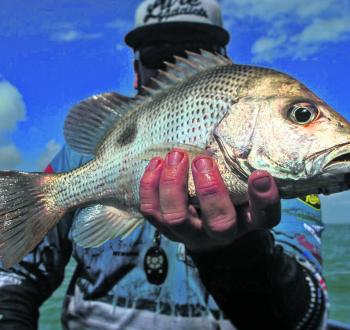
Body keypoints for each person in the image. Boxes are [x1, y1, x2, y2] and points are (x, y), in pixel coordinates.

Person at [0, 0, 328, 329]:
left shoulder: (282, 172)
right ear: (135, 70)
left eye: (196, 49)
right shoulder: (80, 156)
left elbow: (307, 316)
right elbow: (14, 272)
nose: (175, 62)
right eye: (158, 53)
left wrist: (236, 252)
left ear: (225, 59)